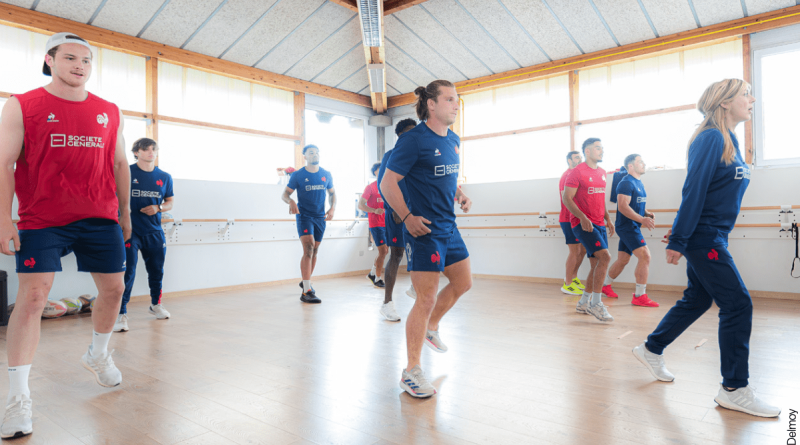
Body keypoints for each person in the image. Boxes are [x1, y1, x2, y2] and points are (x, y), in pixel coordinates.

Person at [0, 32, 130, 438]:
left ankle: (98, 354)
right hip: (42, 218)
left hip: (100, 216)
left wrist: (125, 213)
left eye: (87, 61)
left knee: (114, 290)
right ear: (50, 60)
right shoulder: (22, 105)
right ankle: (17, 398)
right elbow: (4, 163)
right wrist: (5, 218)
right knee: (33, 297)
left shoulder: (109, 110)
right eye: (71, 58)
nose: (80, 66)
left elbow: (121, 163)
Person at [633, 79, 779, 417]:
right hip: (704, 236)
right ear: (725, 102)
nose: (752, 98)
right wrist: (681, 240)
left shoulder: (730, 140)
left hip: (713, 234)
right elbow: (693, 190)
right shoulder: (711, 137)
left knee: (698, 297)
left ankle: (652, 349)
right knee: (738, 304)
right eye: (745, 93)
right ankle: (734, 388)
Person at [382, 80, 473, 398]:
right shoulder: (413, 141)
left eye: (457, 100)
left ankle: (431, 326)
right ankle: (411, 371)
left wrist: (460, 193)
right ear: (431, 105)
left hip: (450, 227)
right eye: (449, 99)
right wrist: (407, 217)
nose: (456, 104)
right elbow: (387, 183)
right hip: (423, 232)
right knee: (425, 298)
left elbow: (445, 175)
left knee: (463, 283)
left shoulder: (454, 140)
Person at [114, 138, 175, 333]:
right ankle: (121, 313)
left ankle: (155, 304)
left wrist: (158, 207)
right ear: (136, 152)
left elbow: (170, 202)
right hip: (130, 231)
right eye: (145, 149)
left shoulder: (164, 177)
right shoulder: (126, 172)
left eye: (153, 149)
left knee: (157, 271)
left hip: (154, 232)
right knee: (128, 273)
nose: (150, 152)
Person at [562, 138, 615, 322]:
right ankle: (596, 304)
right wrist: (582, 217)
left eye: (602, 147)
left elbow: (600, 199)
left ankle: (584, 302)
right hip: (582, 224)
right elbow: (567, 198)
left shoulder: (602, 172)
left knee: (596, 264)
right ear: (587, 151)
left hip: (599, 223)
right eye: (598, 148)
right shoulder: (576, 172)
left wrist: (608, 218)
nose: (602, 151)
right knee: (606, 257)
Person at [602, 154, 659, 307]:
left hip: (632, 226)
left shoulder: (638, 183)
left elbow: (634, 203)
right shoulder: (626, 182)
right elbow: (622, 206)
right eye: (640, 162)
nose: (644, 164)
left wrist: (645, 213)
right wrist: (642, 220)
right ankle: (640, 295)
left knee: (623, 260)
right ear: (631, 166)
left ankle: (605, 285)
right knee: (645, 256)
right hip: (627, 227)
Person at [282, 145, 336, 304]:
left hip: (320, 217)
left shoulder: (326, 174)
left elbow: (332, 193)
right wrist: (291, 200)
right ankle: (306, 291)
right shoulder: (298, 175)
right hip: (304, 216)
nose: (315, 154)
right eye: (311, 152)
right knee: (309, 247)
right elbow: (285, 194)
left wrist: (332, 208)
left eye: (317, 152)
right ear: (305, 156)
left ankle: (306, 281)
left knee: (315, 250)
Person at [376, 118, 418, 322]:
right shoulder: (390, 155)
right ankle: (387, 304)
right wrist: (394, 208)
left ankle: (415, 287)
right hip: (396, 212)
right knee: (396, 255)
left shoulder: (418, 156)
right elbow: (382, 184)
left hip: (415, 212)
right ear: (400, 137)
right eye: (408, 133)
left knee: (419, 250)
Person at [558, 151, 586, 295]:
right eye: (576, 158)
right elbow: (567, 199)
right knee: (574, 252)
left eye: (580, 158)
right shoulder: (567, 175)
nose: (580, 160)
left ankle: (573, 278)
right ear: (569, 160)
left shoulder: (577, 174)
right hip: (568, 218)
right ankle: (567, 283)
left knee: (582, 250)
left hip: (577, 218)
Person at [359, 163, 388, 290]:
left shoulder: (388, 186)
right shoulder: (370, 187)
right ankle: (377, 278)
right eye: (379, 169)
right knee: (383, 251)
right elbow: (360, 205)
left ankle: (372, 273)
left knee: (385, 251)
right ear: (375, 172)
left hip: (388, 223)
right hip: (376, 224)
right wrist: (374, 210)